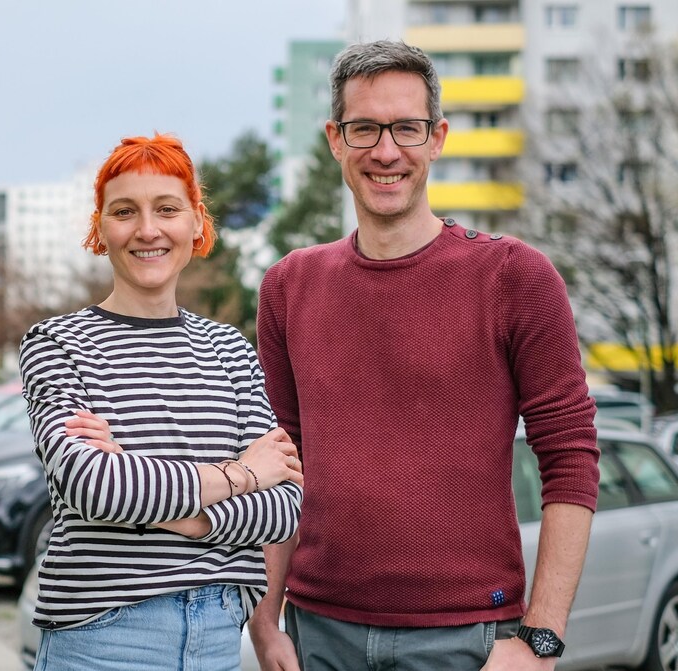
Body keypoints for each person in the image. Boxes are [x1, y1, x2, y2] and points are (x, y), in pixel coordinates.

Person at [249, 40, 599, 671]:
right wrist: (266, 622)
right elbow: (282, 460)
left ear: (437, 137)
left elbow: (571, 455)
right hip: (318, 634)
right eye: (365, 129)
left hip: (470, 639)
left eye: (406, 128)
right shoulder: (288, 285)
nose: (386, 152)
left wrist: (540, 640)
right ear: (335, 139)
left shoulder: (515, 277)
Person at [19, 134, 303, 671]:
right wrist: (242, 474)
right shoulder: (58, 344)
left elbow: (284, 507)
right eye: (125, 211)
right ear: (100, 228)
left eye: (167, 209)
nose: (147, 229)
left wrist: (153, 496)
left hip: (219, 635)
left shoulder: (230, 350)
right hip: (103, 638)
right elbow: (94, 486)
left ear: (196, 223)